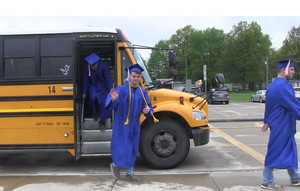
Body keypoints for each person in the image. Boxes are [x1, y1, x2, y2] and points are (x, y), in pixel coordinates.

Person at [105, 64, 156, 182]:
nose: (135, 79)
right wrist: (113, 100)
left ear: (140, 77)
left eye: (138, 76)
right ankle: (116, 165)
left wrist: (147, 111)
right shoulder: (121, 89)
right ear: (130, 76)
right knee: (122, 147)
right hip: (121, 124)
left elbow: (149, 108)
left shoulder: (142, 92)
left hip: (134, 126)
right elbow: (109, 106)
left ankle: (129, 173)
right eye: (133, 76)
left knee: (133, 148)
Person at [261, 59, 300, 190]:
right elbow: (293, 105)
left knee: (290, 150)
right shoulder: (283, 86)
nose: (294, 72)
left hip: (281, 124)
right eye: (292, 69)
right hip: (281, 125)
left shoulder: (273, 85)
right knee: (275, 151)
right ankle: (267, 181)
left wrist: (266, 120)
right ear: (284, 70)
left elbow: (269, 106)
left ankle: (295, 178)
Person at [82, 52, 113, 129]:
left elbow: (108, 78)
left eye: (95, 65)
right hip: (92, 85)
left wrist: (110, 89)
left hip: (103, 86)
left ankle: (102, 121)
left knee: (103, 102)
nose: (94, 67)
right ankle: (94, 112)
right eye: (92, 66)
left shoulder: (103, 65)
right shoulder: (86, 67)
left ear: (98, 63)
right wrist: (84, 91)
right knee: (92, 98)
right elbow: (85, 80)